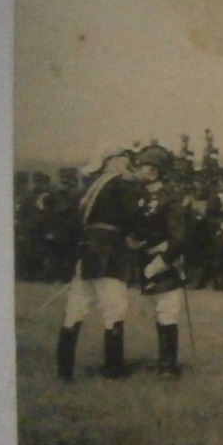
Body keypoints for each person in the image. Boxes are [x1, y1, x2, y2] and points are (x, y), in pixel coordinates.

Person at [55, 148, 141, 381]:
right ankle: (113, 370)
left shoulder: (88, 188)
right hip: (111, 253)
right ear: (113, 162)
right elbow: (133, 217)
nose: (129, 163)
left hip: (86, 253)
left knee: (76, 309)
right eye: (125, 159)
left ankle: (64, 372)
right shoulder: (121, 185)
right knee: (114, 309)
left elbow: (71, 221)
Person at [131, 145, 189, 378]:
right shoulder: (138, 196)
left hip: (164, 261)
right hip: (143, 259)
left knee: (167, 310)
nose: (145, 170)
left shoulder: (169, 198)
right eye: (144, 166)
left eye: (148, 167)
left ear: (157, 171)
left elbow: (179, 237)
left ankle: (169, 366)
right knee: (156, 310)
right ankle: (162, 358)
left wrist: (162, 260)